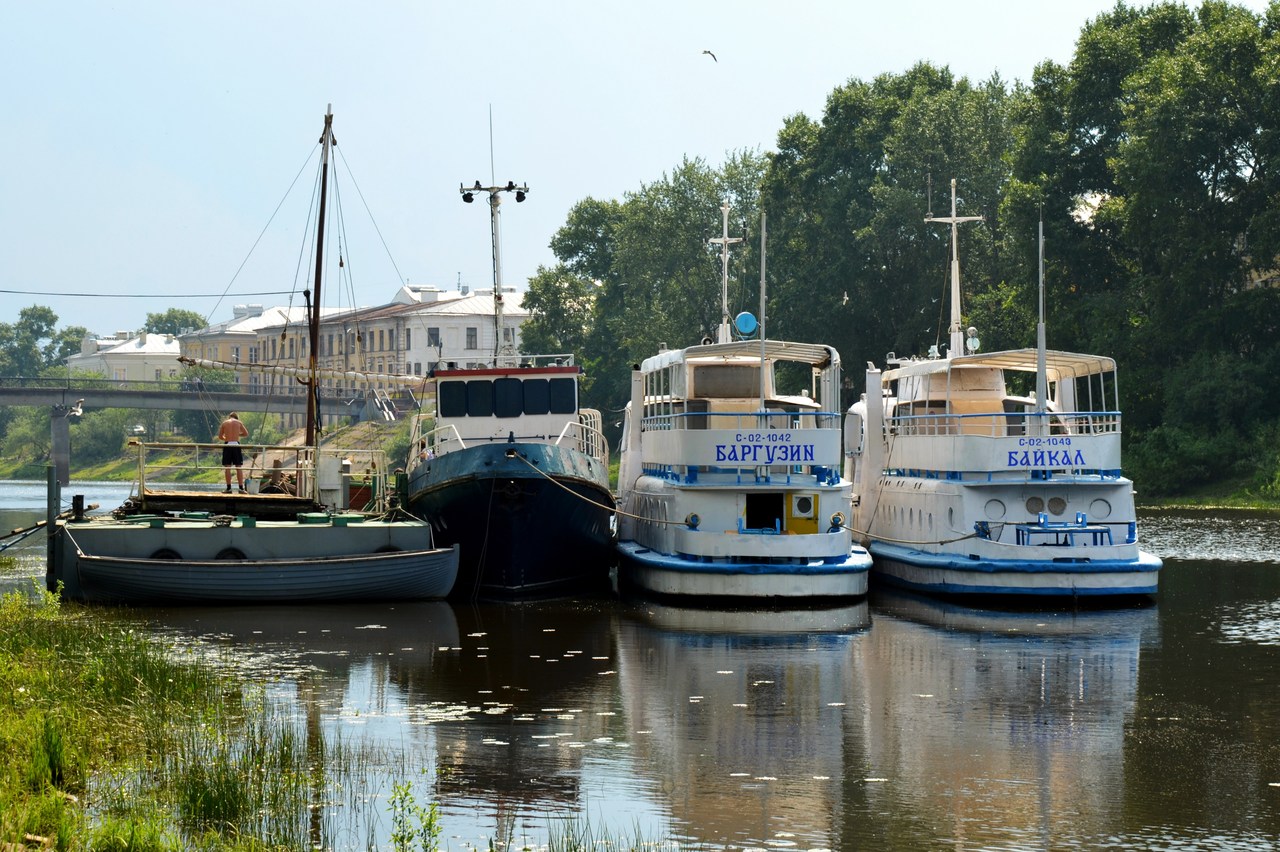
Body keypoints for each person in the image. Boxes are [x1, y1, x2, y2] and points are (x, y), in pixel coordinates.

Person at [217, 412, 250, 493]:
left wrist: (226, 437)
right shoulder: (239, 423)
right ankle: (241, 488)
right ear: (236, 417)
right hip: (236, 444)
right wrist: (237, 435)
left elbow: (220, 436)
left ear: (229, 417)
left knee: (227, 467)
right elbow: (246, 434)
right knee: (238, 467)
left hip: (228, 444)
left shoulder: (225, 423)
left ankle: (228, 488)